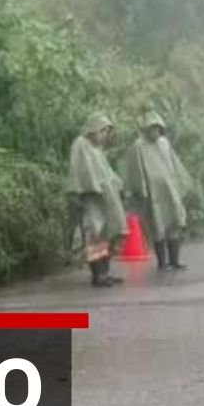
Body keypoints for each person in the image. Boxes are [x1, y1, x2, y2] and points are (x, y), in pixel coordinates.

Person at [121, 111, 194, 271]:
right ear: (145, 129)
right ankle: (163, 262)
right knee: (158, 225)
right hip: (153, 194)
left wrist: (181, 184)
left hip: (170, 190)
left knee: (174, 222)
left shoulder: (164, 143)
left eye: (157, 128)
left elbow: (175, 165)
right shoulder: (138, 147)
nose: (154, 132)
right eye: (151, 128)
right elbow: (134, 171)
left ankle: (175, 261)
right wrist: (138, 191)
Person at [67, 112, 128, 287]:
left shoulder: (97, 149)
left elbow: (106, 172)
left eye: (107, 132)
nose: (105, 136)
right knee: (94, 233)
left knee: (107, 233)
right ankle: (98, 275)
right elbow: (77, 170)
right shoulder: (80, 144)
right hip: (90, 197)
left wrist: (118, 185)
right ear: (92, 130)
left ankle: (105, 272)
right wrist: (79, 191)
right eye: (102, 131)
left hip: (105, 198)